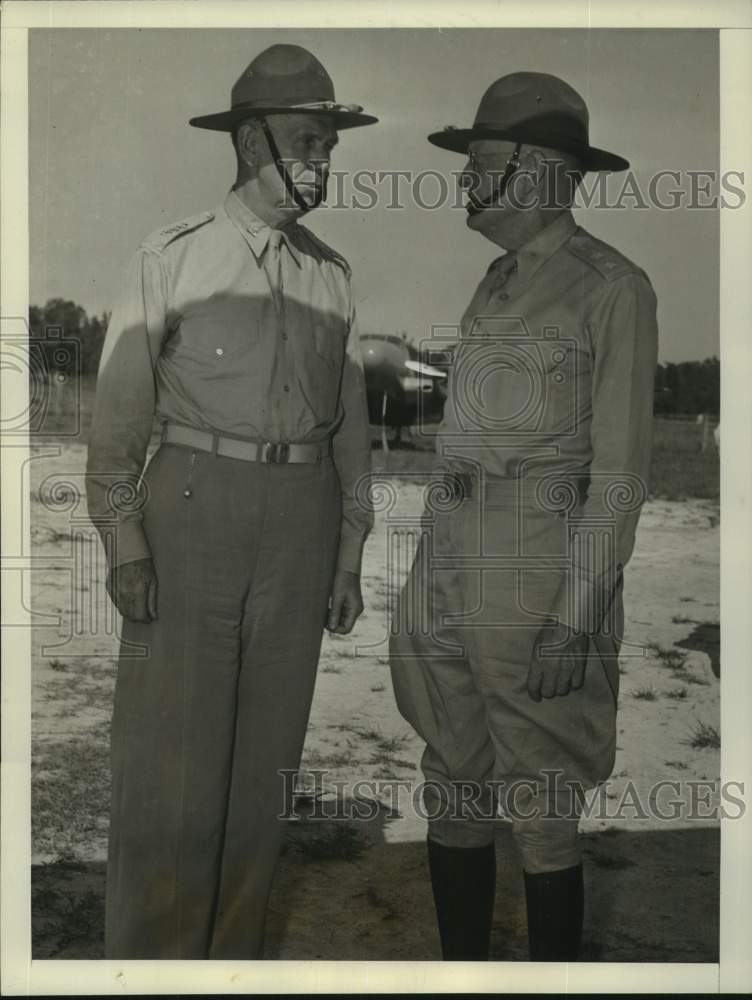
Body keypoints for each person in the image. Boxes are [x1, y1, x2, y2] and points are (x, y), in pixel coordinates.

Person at [85, 43, 377, 959]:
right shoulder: (173, 257)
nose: (325, 162)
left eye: (330, 143)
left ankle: (234, 962)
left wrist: (348, 554)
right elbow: (119, 420)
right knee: (173, 769)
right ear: (253, 142)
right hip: (192, 510)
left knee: (264, 773)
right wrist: (124, 540)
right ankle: (150, 965)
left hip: (302, 525)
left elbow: (349, 433)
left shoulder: (332, 277)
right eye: (308, 141)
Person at [389, 72, 658, 961]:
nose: (464, 183)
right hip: (448, 556)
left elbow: (618, 477)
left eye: (481, 164)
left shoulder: (611, 288)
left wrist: (573, 620)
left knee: (541, 802)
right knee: (452, 778)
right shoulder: (495, 281)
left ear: (540, 173)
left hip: (534, 570)